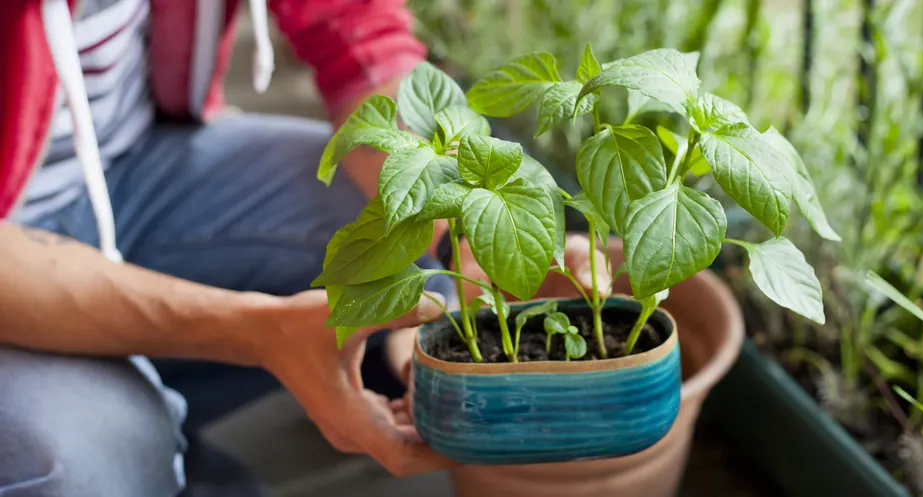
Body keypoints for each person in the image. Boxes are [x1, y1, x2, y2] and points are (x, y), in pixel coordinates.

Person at [0, 1, 611, 496]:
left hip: (128, 165)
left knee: (381, 221)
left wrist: (479, 225)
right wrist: (251, 329)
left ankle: (161, 425)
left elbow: (354, 29)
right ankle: (146, 443)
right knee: (84, 460)